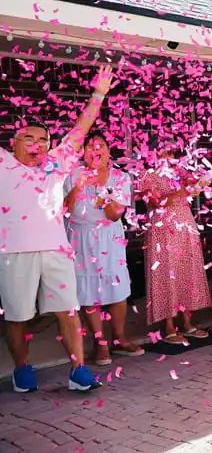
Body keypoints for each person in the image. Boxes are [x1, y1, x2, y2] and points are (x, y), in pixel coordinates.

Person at [0, 64, 113, 393]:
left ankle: (78, 370)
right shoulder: (3, 163)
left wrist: (99, 93)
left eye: (42, 140)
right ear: (14, 142)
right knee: (18, 316)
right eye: (28, 138)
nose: (36, 144)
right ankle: (23, 369)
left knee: (68, 310)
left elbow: (82, 127)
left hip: (55, 249)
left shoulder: (57, 162)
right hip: (13, 253)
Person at [64, 131, 145, 366]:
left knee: (117, 289)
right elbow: (64, 210)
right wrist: (80, 185)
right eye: (90, 145)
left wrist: (103, 193)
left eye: (100, 145)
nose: (95, 149)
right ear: (84, 152)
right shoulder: (73, 174)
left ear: (108, 152)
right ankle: (100, 344)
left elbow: (115, 214)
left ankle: (119, 338)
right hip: (80, 236)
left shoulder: (120, 177)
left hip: (110, 237)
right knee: (87, 291)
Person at [139, 145, 212, 344]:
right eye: (162, 151)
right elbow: (157, 202)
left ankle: (187, 322)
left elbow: (190, 194)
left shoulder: (179, 171)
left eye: (171, 152)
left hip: (185, 225)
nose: (167, 155)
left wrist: (198, 185)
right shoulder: (147, 174)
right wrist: (183, 189)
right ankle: (169, 326)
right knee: (166, 275)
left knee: (186, 272)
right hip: (162, 230)